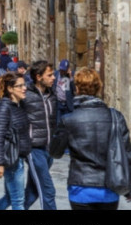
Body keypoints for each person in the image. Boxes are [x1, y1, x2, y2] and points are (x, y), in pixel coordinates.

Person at [50, 68, 131, 210]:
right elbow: (127, 154)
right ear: (99, 87)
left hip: (80, 186)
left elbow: (55, 152)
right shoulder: (116, 117)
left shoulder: (68, 120)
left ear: (76, 88)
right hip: (109, 187)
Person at [0, 72, 31, 210]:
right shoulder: (5, 108)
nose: (24, 88)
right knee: (18, 201)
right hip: (12, 160)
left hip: (19, 157)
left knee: (10, 197)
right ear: (10, 89)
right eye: (19, 86)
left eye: (24, 85)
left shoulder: (20, 105)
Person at [24, 60, 58, 211]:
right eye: (49, 75)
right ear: (38, 77)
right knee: (47, 190)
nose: (53, 78)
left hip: (48, 149)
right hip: (34, 149)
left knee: (32, 192)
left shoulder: (51, 95)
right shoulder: (26, 95)